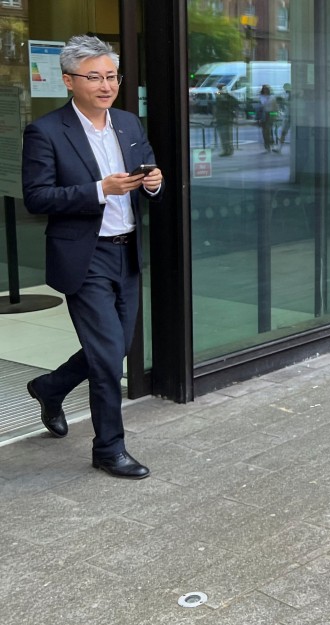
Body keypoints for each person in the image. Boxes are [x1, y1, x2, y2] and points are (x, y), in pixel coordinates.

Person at [21, 35, 164, 479]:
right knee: (107, 359)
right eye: (94, 77)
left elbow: (148, 172)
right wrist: (100, 189)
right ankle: (109, 447)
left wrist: (154, 182)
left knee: (115, 347)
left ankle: (51, 386)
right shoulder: (46, 131)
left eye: (111, 76)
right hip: (85, 258)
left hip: (127, 252)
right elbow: (37, 197)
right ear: (69, 81)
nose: (106, 85)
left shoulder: (127, 122)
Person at [213, 86, 238, 157]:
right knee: (225, 136)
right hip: (222, 119)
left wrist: (225, 98)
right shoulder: (220, 97)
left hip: (226, 118)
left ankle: (228, 150)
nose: (219, 91)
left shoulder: (227, 97)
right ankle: (227, 149)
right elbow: (216, 108)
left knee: (226, 136)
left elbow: (235, 103)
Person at [257, 83, 278, 152]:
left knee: (269, 130)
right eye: (264, 89)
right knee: (265, 131)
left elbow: (275, 107)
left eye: (266, 89)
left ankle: (271, 144)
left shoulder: (272, 97)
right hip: (263, 114)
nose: (265, 90)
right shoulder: (260, 97)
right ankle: (267, 145)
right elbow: (259, 108)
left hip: (270, 114)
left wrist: (275, 115)